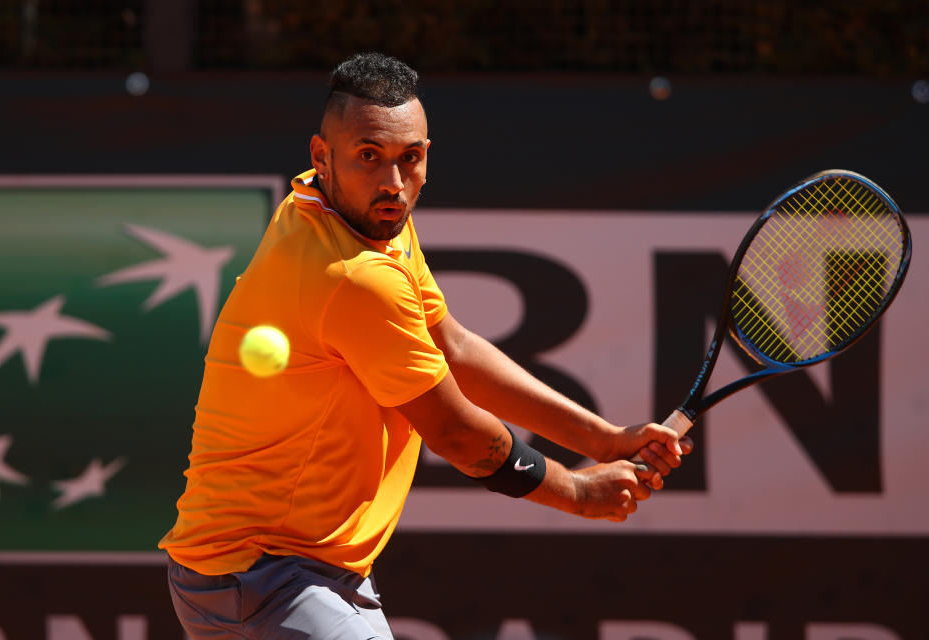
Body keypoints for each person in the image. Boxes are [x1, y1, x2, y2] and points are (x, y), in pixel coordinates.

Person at [159, 52, 692, 639]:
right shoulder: (354, 276)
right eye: (369, 156)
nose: (392, 182)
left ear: (426, 156)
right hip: (267, 575)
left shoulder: (355, 212)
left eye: (409, 159)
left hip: (262, 571)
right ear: (321, 156)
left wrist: (604, 438)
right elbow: (458, 434)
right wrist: (578, 490)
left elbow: (455, 348)